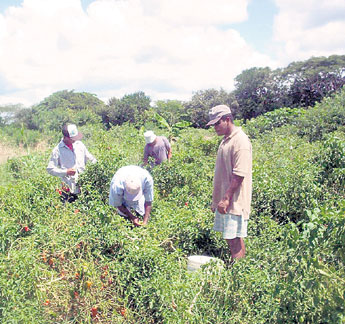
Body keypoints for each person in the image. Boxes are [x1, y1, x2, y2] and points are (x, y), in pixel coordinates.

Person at [206, 104, 252, 260]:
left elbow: (239, 174)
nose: (215, 128)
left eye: (217, 123)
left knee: (234, 239)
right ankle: (236, 269)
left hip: (234, 201)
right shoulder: (226, 140)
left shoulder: (241, 141)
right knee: (229, 237)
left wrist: (226, 199)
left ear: (227, 119)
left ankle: (238, 275)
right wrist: (217, 200)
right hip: (225, 200)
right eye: (213, 125)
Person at [47, 124, 97, 202]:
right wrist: (66, 172)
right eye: (72, 138)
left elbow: (90, 158)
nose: (75, 140)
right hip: (68, 188)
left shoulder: (79, 144)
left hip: (84, 186)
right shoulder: (57, 150)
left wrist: (98, 166)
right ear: (65, 137)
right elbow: (50, 169)